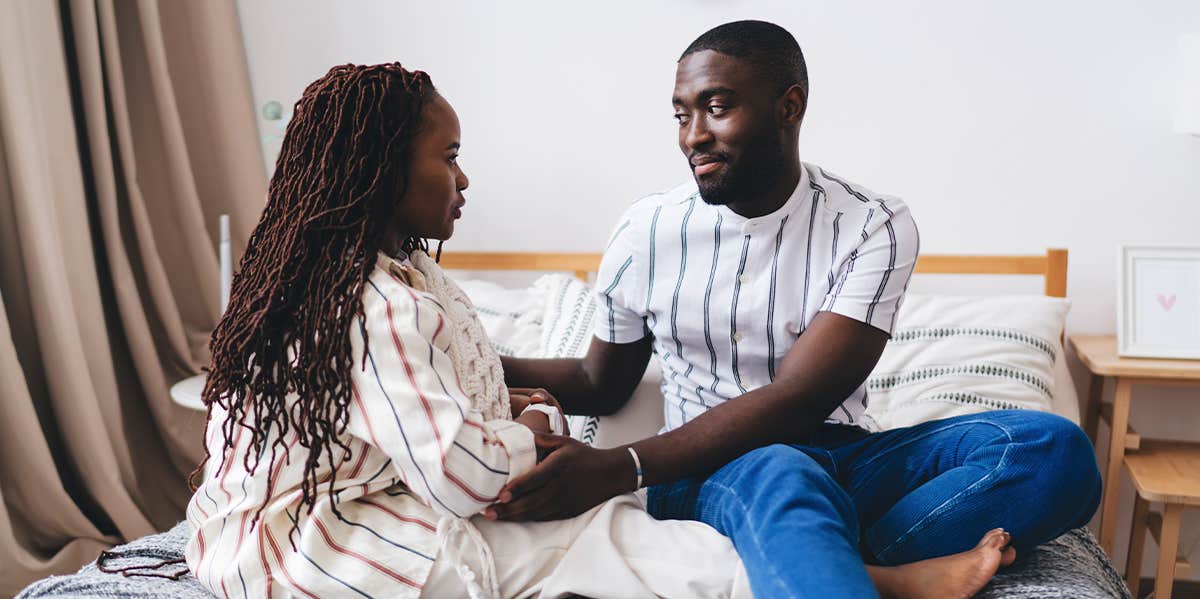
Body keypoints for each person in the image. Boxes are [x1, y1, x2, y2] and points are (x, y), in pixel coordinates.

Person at [497, 20, 1102, 599]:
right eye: (681, 115)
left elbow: (799, 400)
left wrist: (621, 467)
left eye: (716, 107)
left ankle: (832, 559)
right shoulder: (646, 231)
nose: (692, 136)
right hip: (708, 471)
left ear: (790, 106)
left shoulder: (873, 224)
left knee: (1053, 449)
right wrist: (453, 350)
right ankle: (873, 571)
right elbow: (598, 382)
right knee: (784, 473)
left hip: (847, 454)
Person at [186, 63, 751, 599]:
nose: (463, 178)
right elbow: (466, 476)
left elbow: (388, 409)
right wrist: (533, 422)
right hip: (323, 550)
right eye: (449, 158)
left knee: (604, 533)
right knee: (626, 540)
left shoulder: (324, 285)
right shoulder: (381, 306)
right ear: (385, 170)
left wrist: (497, 402)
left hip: (248, 540)